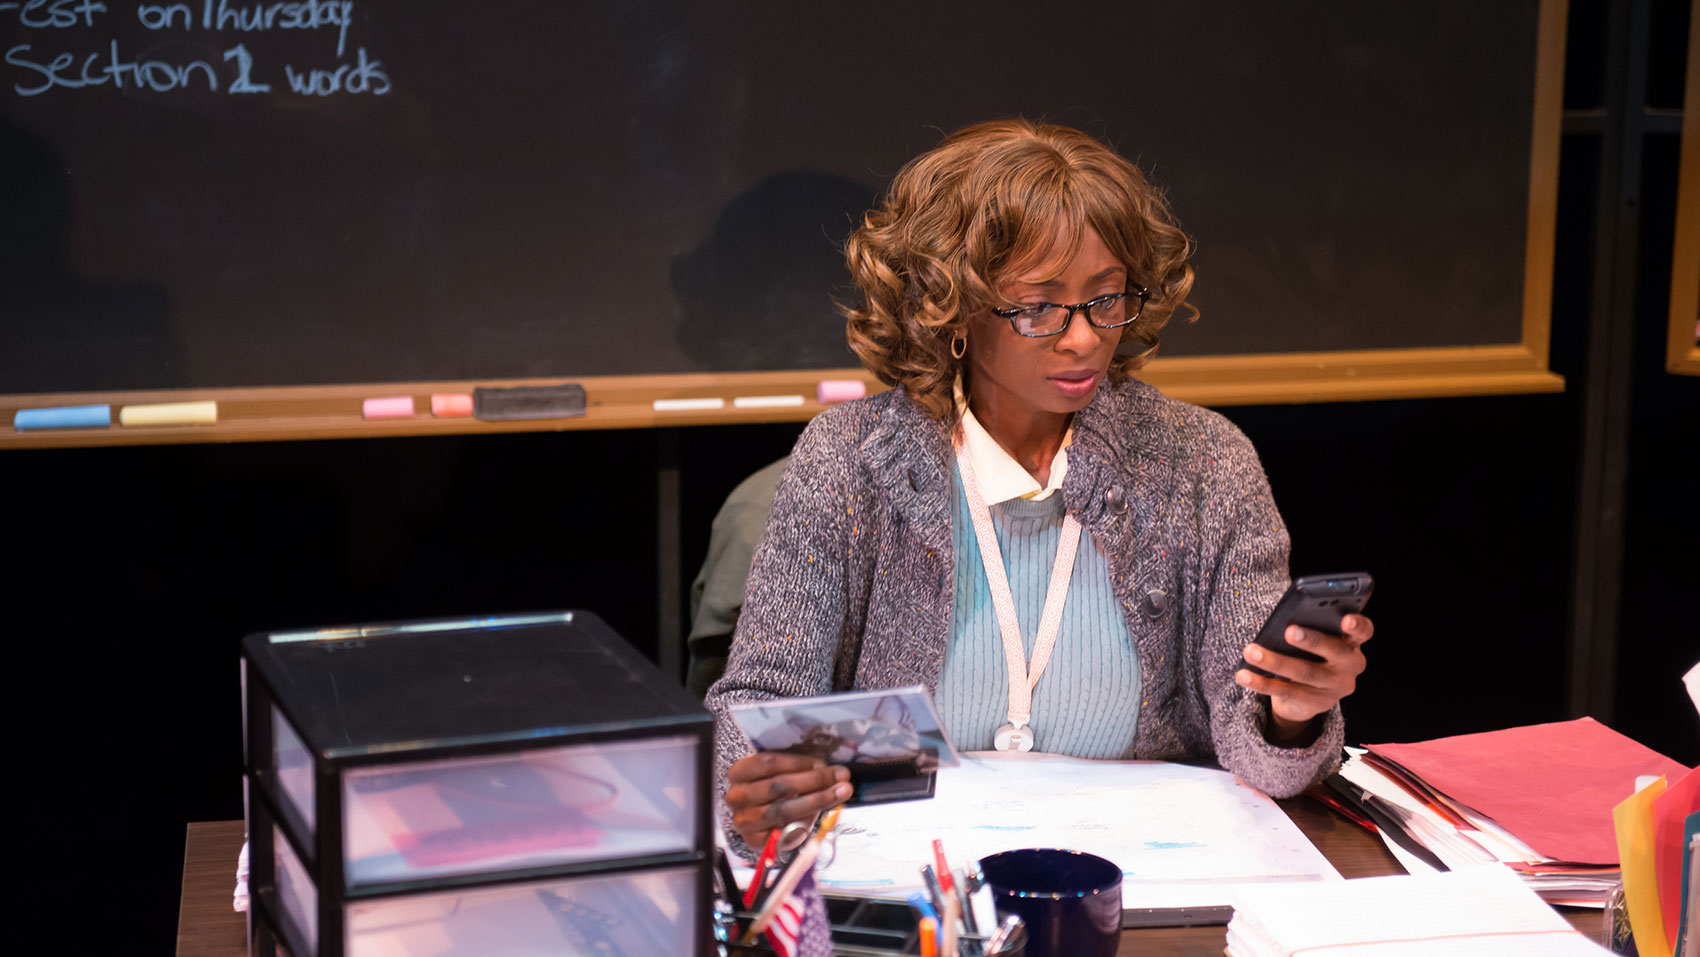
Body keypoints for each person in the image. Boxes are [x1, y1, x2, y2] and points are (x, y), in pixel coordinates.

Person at [704, 118, 1373, 854]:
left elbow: (1260, 755)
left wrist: (1292, 713)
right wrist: (761, 776)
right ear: (949, 304)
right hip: (917, 883)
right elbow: (759, 705)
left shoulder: (1205, 464)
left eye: (1107, 298)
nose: (1083, 336)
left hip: (1144, 881)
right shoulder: (849, 461)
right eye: (1038, 306)